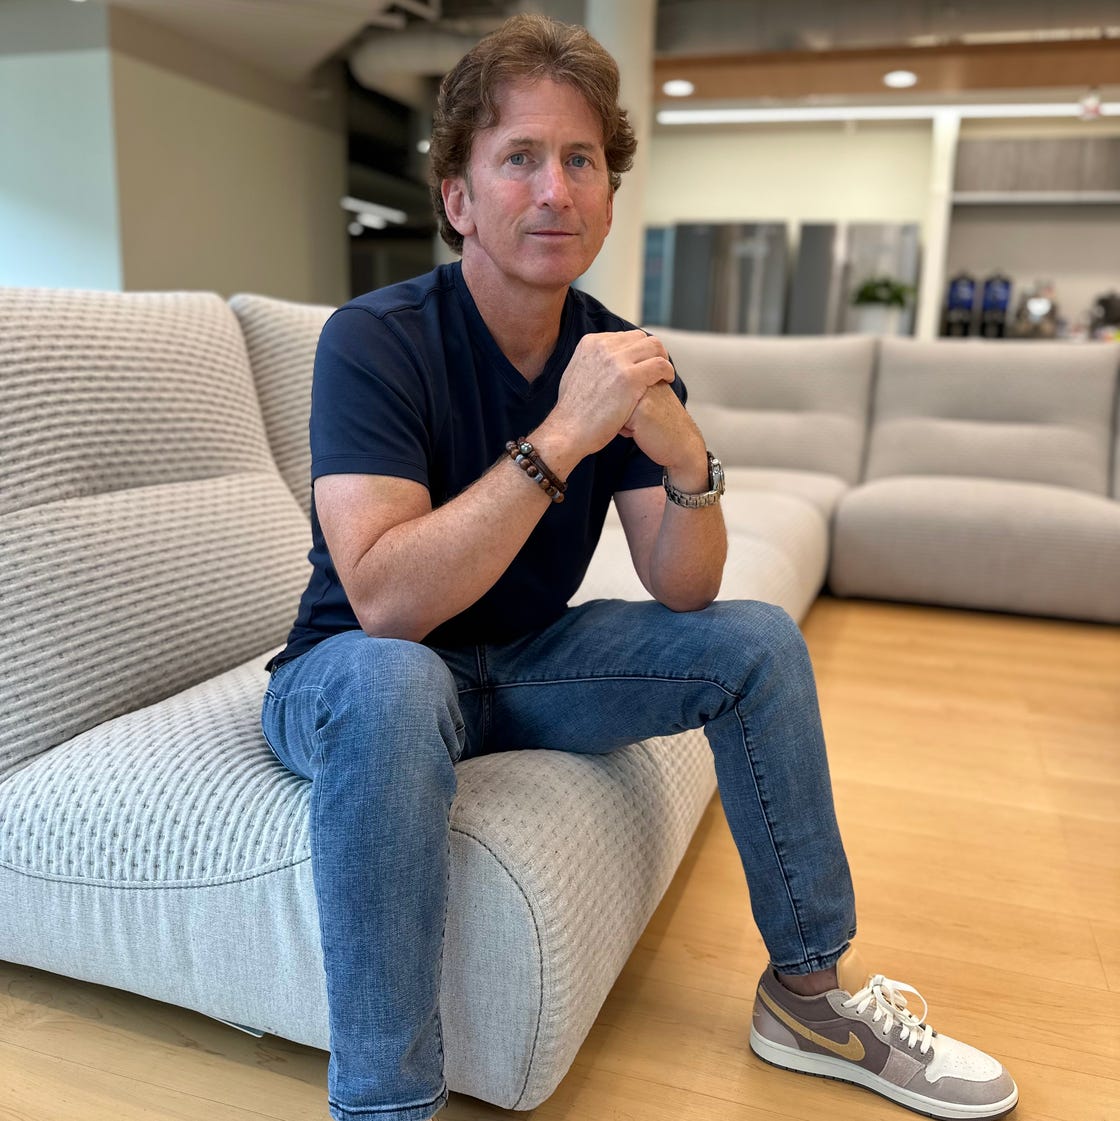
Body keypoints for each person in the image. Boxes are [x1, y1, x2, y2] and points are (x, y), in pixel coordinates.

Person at [261, 14, 1019, 1121]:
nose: (554, 190)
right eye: (519, 158)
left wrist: (688, 460)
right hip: (352, 673)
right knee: (395, 678)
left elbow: (685, 587)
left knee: (755, 642)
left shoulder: (618, 352)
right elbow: (384, 600)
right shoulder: (375, 338)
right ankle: (385, 1104)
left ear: (609, 200)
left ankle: (808, 998)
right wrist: (563, 435)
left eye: (581, 161)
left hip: (520, 662)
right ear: (458, 198)